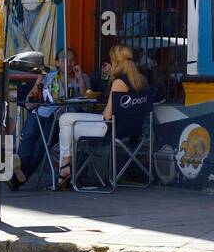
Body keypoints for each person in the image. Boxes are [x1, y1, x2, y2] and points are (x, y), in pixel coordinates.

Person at [54, 44, 146, 189]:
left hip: (110, 128)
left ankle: (65, 169)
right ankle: (65, 169)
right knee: (67, 121)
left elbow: (107, 115)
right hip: (130, 128)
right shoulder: (139, 80)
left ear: (115, 61)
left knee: (66, 123)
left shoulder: (118, 82)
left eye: (111, 60)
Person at [8, 48, 88, 191]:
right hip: (41, 113)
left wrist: (80, 79)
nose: (68, 63)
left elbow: (88, 105)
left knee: (41, 145)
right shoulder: (48, 77)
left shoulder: (82, 78)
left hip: (62, 118)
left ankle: (17, 177)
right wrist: (39, 81)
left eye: (71, 60)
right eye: (63, 59)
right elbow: (28, 104)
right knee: (28, 137)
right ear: (57, 63)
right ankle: (18, 167)